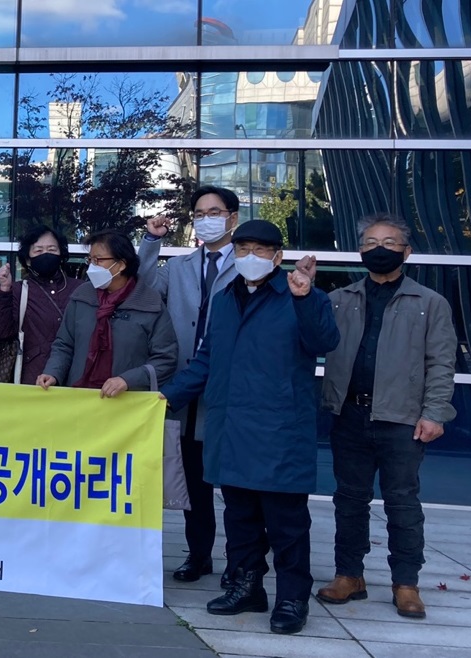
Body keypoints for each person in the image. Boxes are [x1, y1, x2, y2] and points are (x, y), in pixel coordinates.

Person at [159, 220, 339, 635]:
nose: (250, 257)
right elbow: (206, 359)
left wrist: (304, 298)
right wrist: (166, 397)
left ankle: (292, 598)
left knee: (286, 524)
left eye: (260, 250)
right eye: (243, 250)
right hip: (230, 428)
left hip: (279, 430)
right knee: (239, 517)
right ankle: (246, 586)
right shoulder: (224, 299)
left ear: (278, 256)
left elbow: (324, 342)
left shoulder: (301, 295)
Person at [316, 214, 457, 619]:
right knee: (349, 500)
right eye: (371, 242)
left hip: (402, 419)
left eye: (390, 243)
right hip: (349, 414)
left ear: (406, 252)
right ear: (360, 251)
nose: (380, 249)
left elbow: (441, 363)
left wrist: (434, 413)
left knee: (402, 503)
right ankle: (349, 575)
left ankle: (406, 583)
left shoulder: (429, 303)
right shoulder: (339, 299)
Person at [138, 184, 240, 585]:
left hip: (228, 389)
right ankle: (199, 556)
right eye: (199, 214)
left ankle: (241, 563)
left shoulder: (247, 263)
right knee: (194, 484)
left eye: (214, 212)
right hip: (183, 387)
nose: (206, 219)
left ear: (232, 217)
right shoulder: (179, 267)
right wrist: (151, 242)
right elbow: (142, 287)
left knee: (236, 486)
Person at [37, 230, 177, 396]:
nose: (92, 266)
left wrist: (128, 380)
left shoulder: (150, 304)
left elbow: (165, 359)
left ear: (121, 264)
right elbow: (64, 344)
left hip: (126, 402)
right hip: (79, 397)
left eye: (98, 260)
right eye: (90, 259)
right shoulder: (81, 297)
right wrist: (53, 373)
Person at [0, 226, 81, 386]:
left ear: (61, 254)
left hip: (77, 379)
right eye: (38, 250)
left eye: (52, 249)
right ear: (27, 259)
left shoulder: (80, 289)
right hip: (34, 380)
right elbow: (1, 332)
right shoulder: (18, 290)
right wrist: (4, 289)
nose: (46, 254)